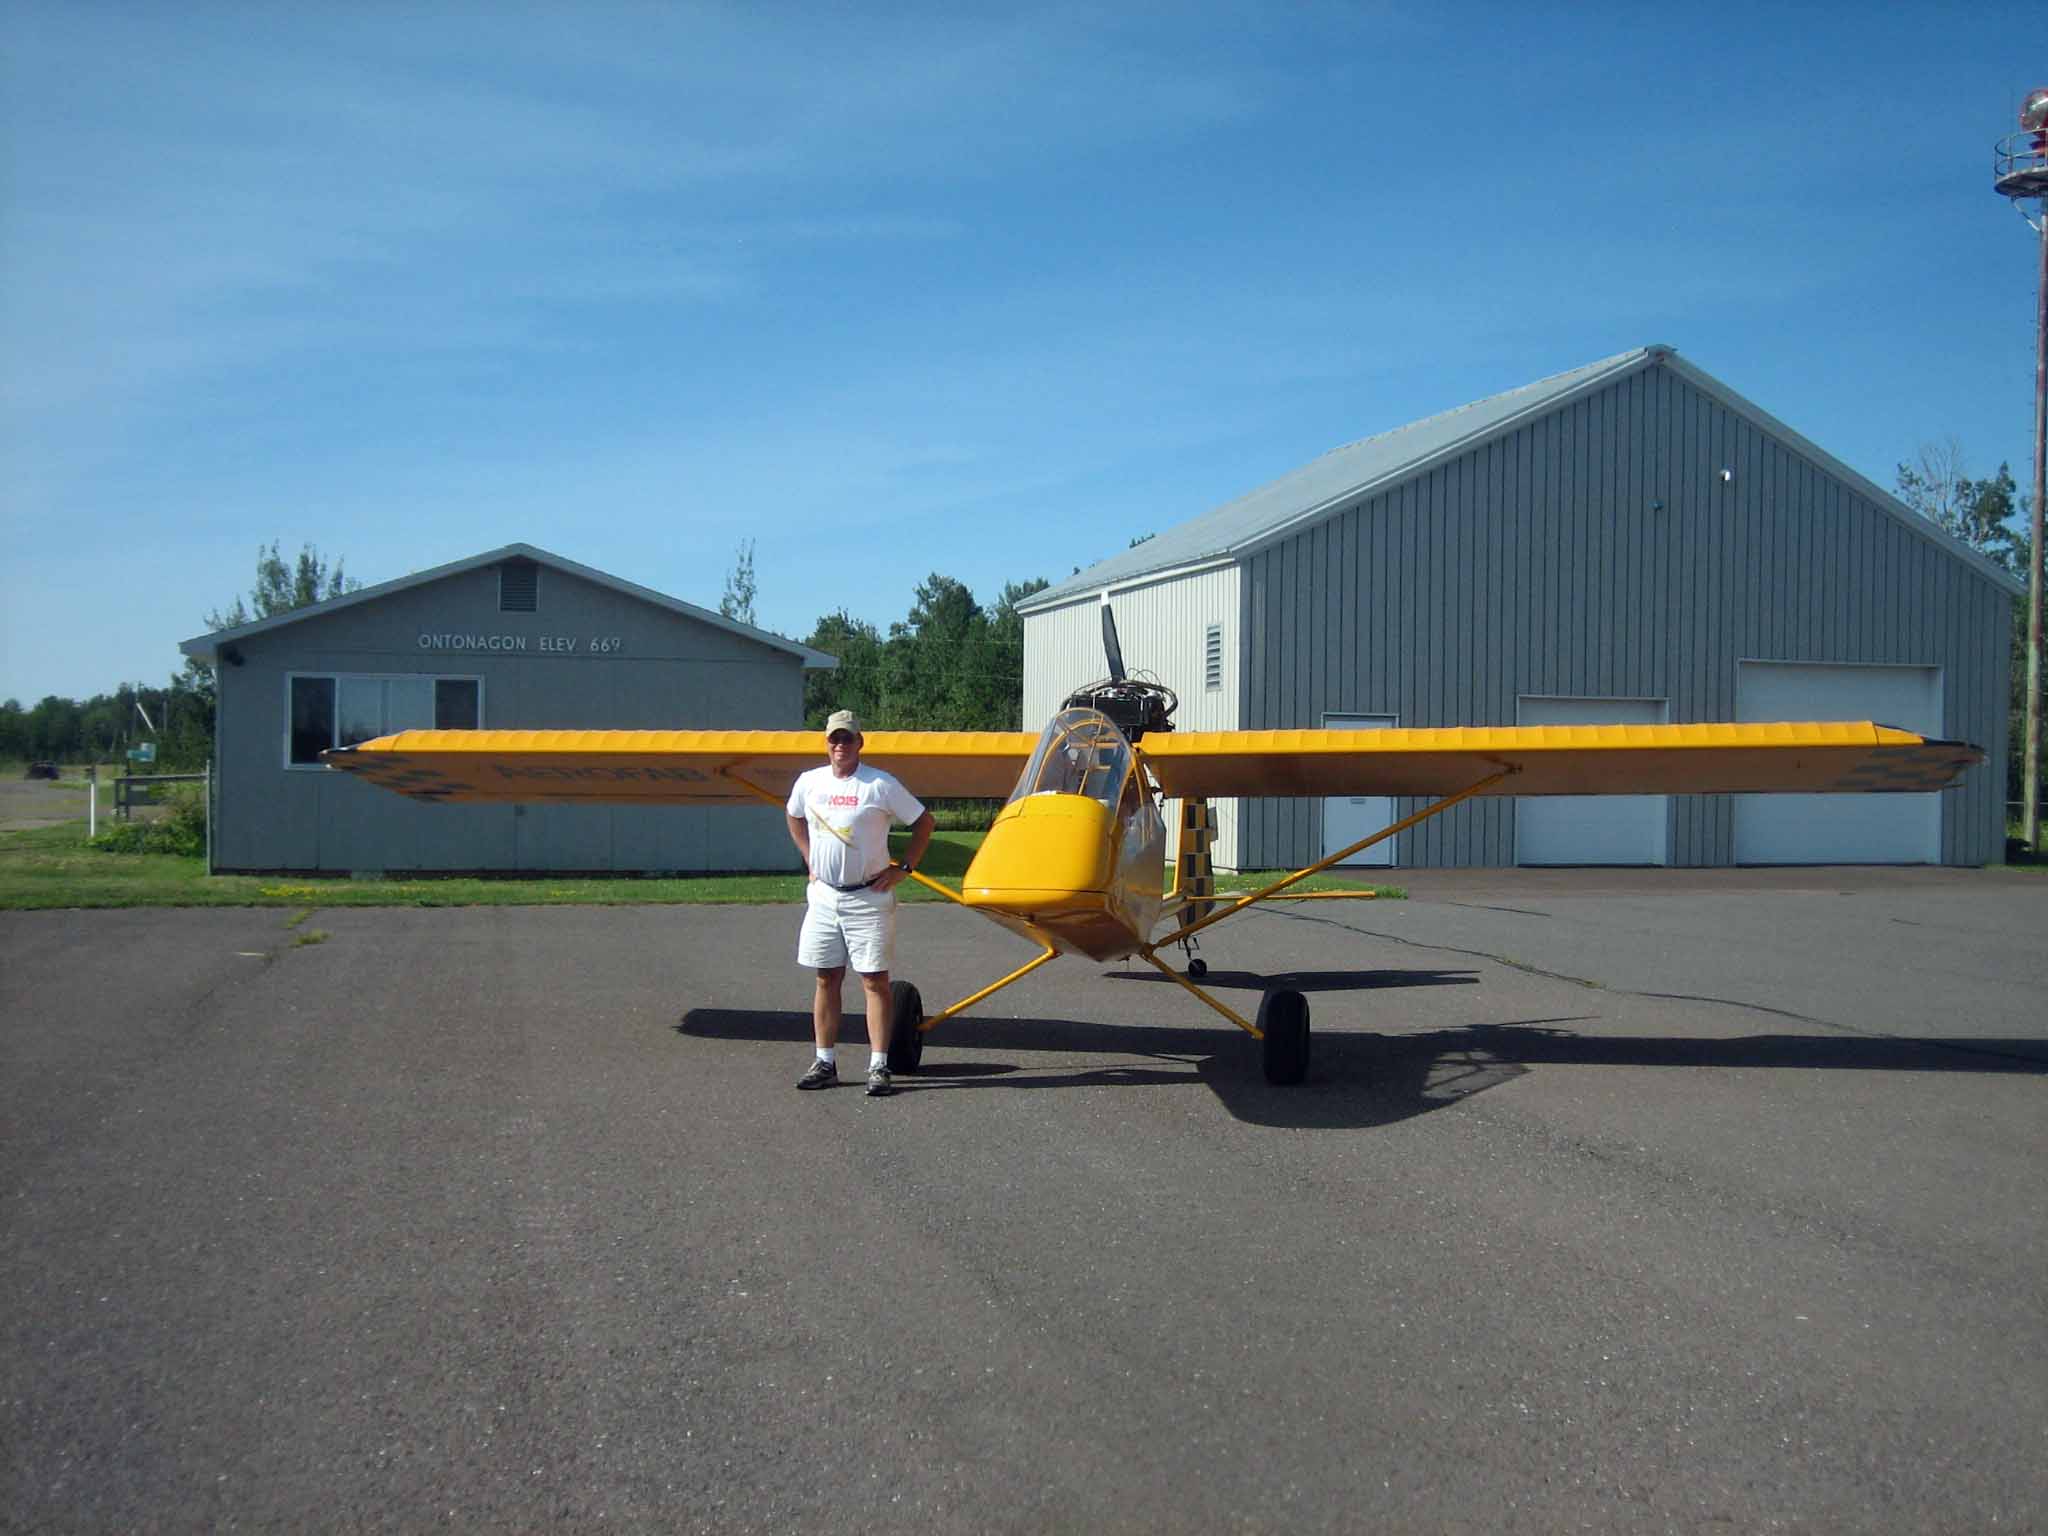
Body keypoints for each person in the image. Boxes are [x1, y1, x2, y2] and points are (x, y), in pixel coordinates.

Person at [784, 709, 934, 1097]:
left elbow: (923, 822)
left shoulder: (879, 784)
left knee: (874, 981)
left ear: (859, 742)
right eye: (834, 738)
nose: (840, 745)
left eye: (847, 738)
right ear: (826, 742)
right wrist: (809, 859)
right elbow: (793, 816)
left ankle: (878, 1066)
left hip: (869, 895)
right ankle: (825, 1060)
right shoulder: (809, 782)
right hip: (824, 895)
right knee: (826, 977)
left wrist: (905, 868)